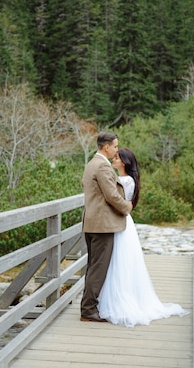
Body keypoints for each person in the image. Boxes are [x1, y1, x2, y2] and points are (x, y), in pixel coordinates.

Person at [98, 148, 189, 327]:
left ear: (123, 162)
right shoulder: (122, 179)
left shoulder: (127, 181)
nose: (113, 160)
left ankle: (122, 300)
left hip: (122, 223)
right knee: (117, 261)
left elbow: (123, 204)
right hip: (120, 221)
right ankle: (113, 297)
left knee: (121, 261)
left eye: (116, 158)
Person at [80, 132, 133, 322]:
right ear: (106, 147)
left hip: (91, 222)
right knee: (99, 267)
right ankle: (88, 310)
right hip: (102, 225)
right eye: (115, 146)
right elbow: (111, 195)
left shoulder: (91, 164)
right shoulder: (102, 166)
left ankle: (88, 306)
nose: (117, 149)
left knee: (93, 266)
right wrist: (126, 208)